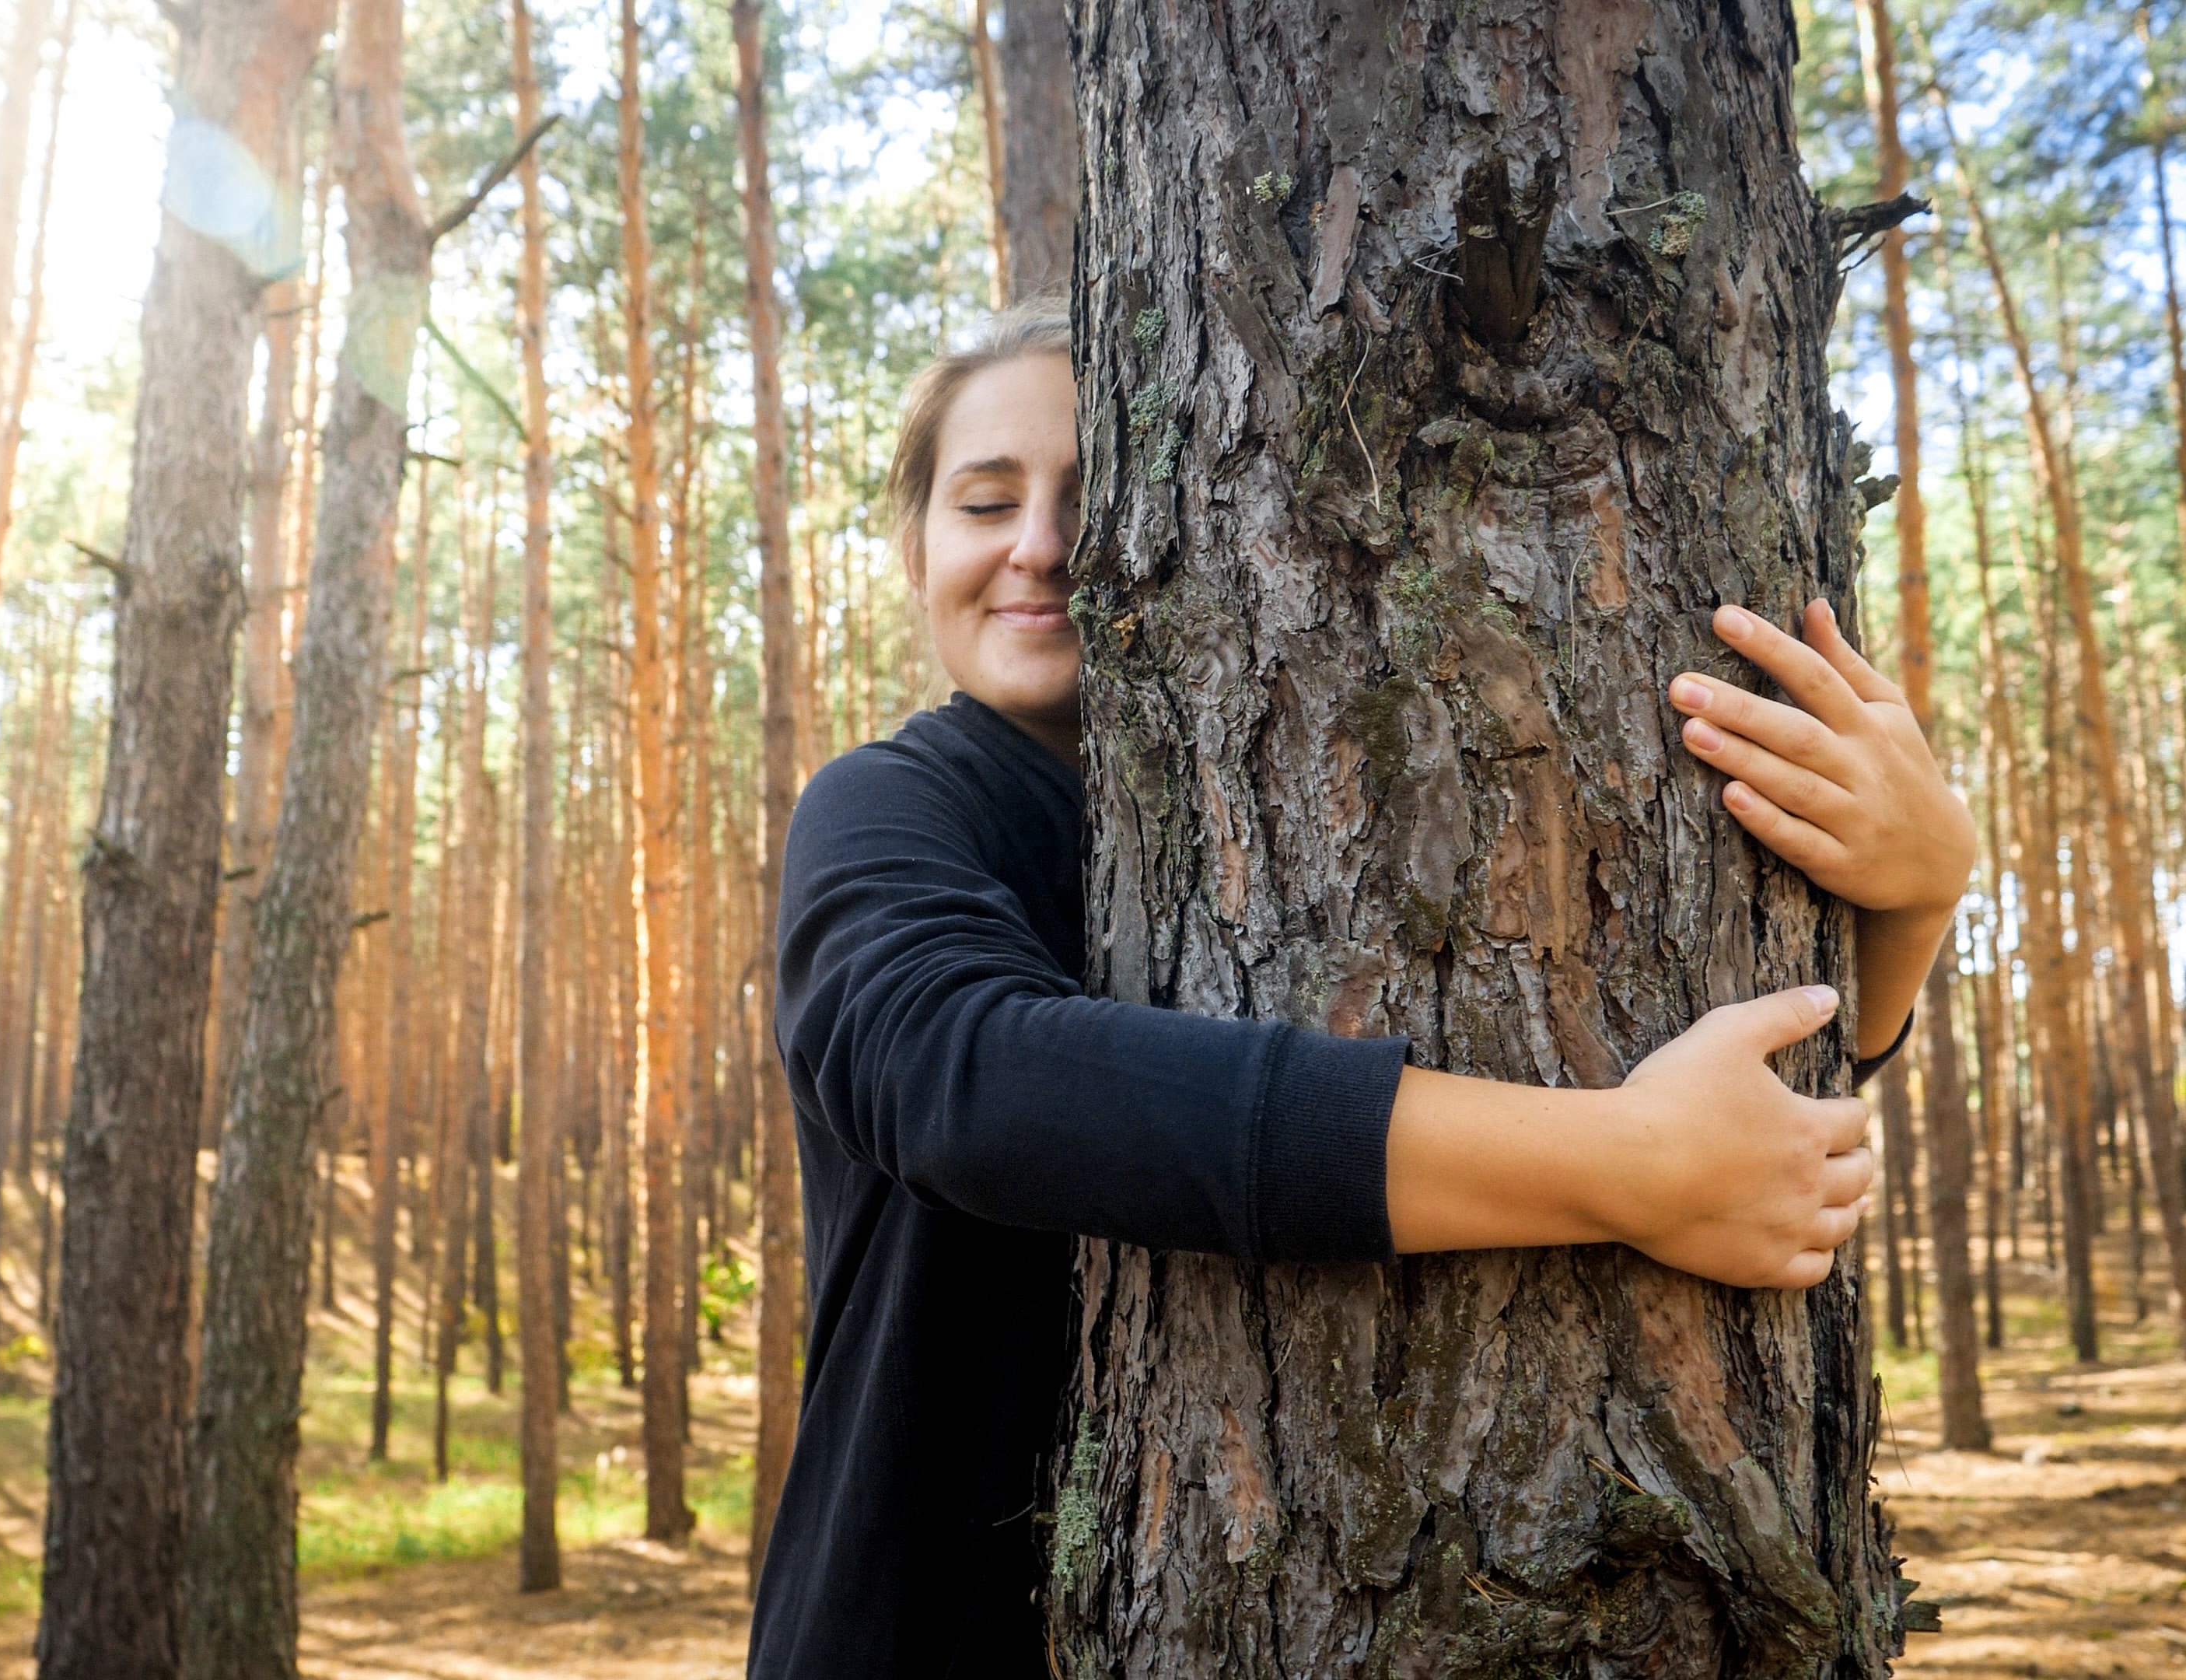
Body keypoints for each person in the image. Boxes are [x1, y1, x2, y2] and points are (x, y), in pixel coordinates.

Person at [745, 300, 1973, 1677]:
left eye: (1092, 496)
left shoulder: (1247, 805)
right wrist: (1619, 1165)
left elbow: (1747, 1139)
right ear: (917, 549)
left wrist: (1916, 899)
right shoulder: (890, 808)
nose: (1039, 545)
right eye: (986, 502)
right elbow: (961, 1079)